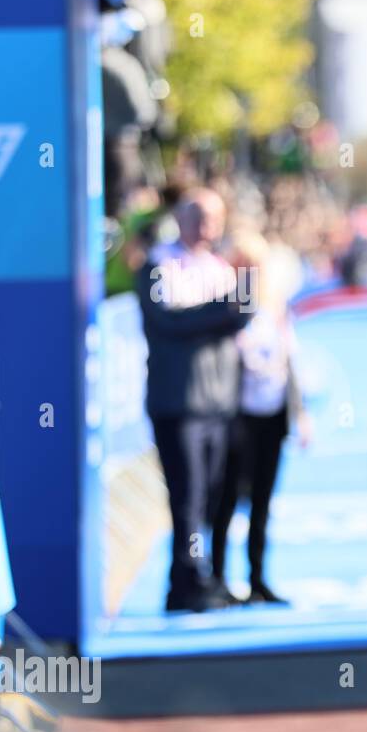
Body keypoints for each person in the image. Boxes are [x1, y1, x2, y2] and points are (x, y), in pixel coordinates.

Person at [136, 187, 250, 613]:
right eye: (199, 217)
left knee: (213, 497)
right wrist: (220, 311)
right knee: (187, 495)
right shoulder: (159, 265)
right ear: (181, 219)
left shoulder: (221, 266)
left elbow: (246, 310)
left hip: (219, 401)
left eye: (215, 218)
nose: (208, 228)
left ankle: (206, 575)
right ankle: (183, 583)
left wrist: (225, 307)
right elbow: (166, 322)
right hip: (178, 401)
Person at [210, 230, 310, 606]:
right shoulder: (226, 306)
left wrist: (299, 414)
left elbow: (289, 360)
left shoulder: (276, 307)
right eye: (244, 265)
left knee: (263, 500)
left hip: (272, 414)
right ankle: (218, 576)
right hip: (238, 415)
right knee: (227, 498)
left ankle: (257, 577)